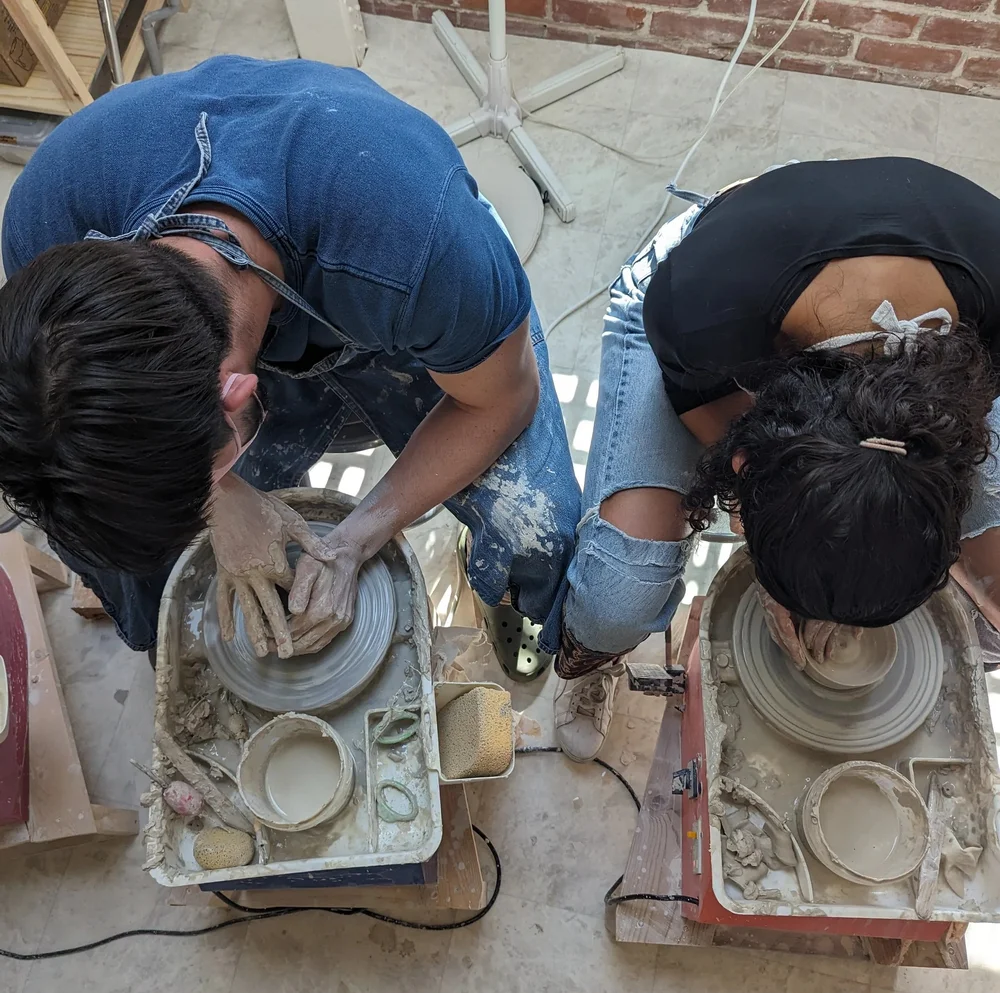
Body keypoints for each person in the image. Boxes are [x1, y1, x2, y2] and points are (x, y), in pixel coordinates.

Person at [0, 55, 580, 669]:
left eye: (208, 478)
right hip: (263, 299)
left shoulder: (419, 244)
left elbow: (503, 399)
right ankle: (180, 647)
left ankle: (511, 599)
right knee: (112, 540)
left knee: (535, 529)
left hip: (390, 282)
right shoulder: (49, 228)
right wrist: (225, 501)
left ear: (238, 395)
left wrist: (356, 540)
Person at [554, 157, 1000, 762]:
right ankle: (590, 656)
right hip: (717, 288)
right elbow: (714, 418)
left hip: (915, 297)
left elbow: (958, 436)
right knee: (617, 595)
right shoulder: (699, 310)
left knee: (994, 571)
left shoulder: (987, 316)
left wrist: (898, 544)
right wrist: (771, 549)